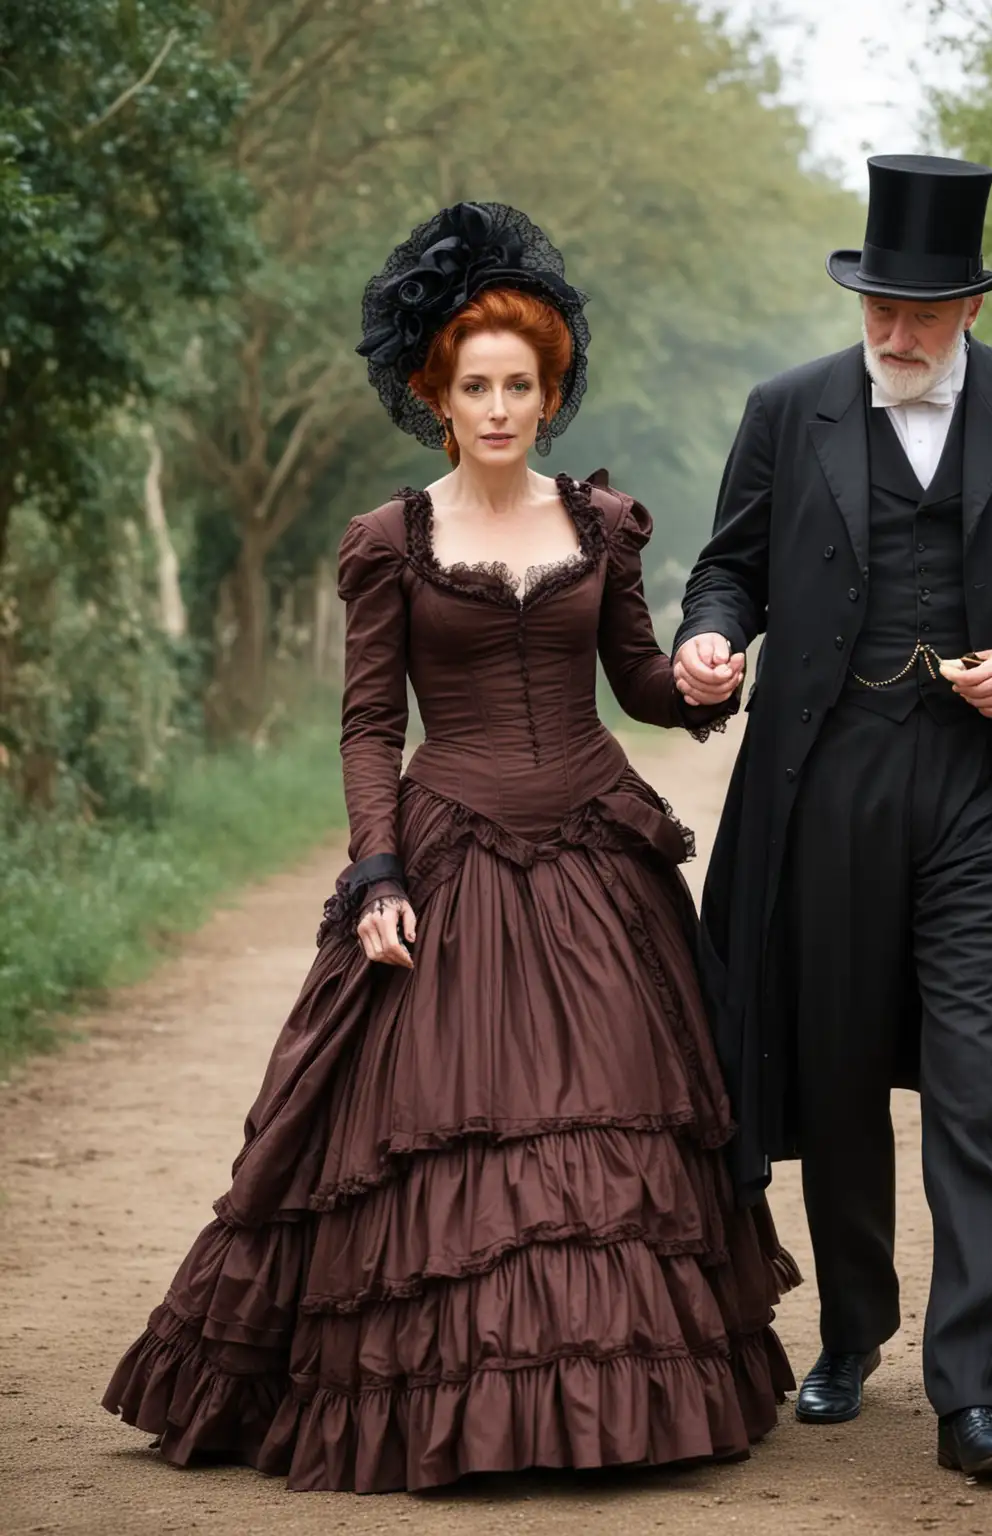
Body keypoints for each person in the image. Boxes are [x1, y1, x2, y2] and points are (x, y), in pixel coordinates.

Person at [102, 200, 799, 1494]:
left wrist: (707, 681)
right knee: (429, 1129)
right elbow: (372, 725)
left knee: (610, 1125)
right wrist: (376, 870)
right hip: (449, 850)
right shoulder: (391, 544)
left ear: (551, 394)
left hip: (594, 850)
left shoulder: (604, 527)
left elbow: (637, 683)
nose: (496, 406)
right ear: (436, 393)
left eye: (520, 385)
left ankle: (614, 1406)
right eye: (474, 384)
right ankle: (452, 1411)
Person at [671, 155, 992, 1479]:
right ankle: (851, 1338)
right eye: (876, 308)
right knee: (836, 1081)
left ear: (969, 303)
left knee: (982, 1086)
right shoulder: (790, 411)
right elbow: (729, 566)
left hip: (988, 799)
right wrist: (713, 640)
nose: (893, 334)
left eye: (920, 311)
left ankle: (974, 1392)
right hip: (827, 784)